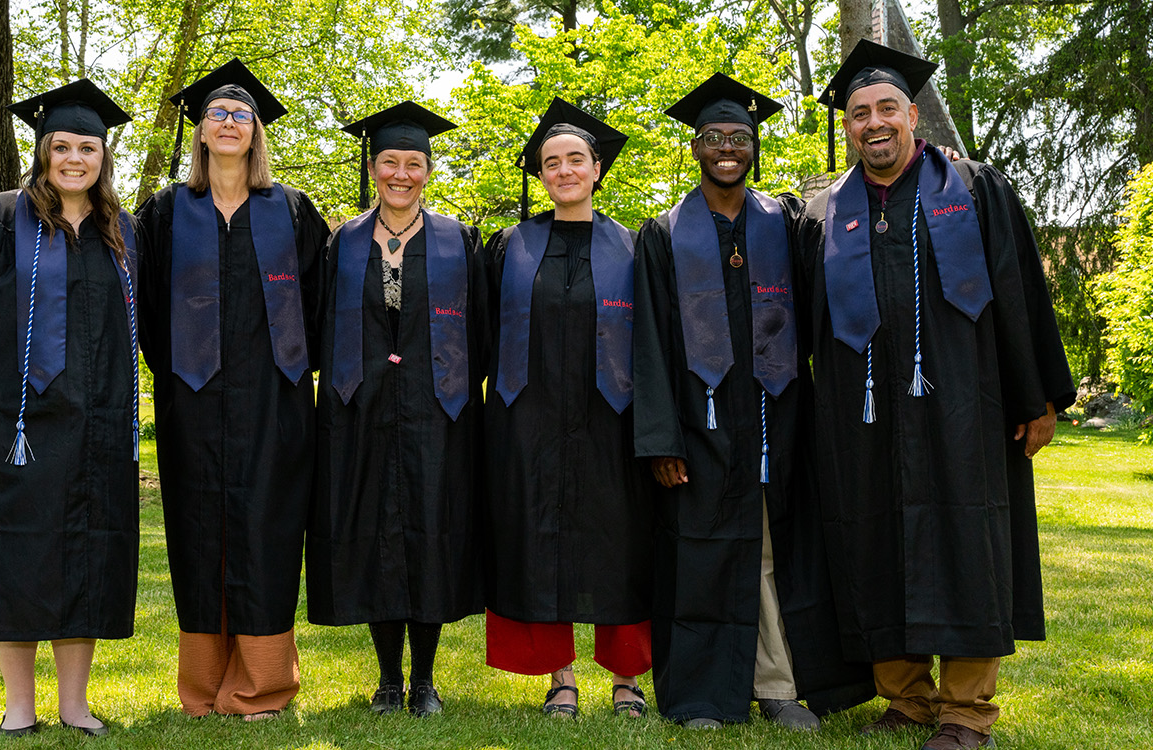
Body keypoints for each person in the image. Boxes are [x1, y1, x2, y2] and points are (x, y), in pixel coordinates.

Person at [796, 40, 1075, 750]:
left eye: (887, 107)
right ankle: (905, 698)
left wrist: (1034, 396)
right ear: (848, 127)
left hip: (963, 409)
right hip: (862, 414)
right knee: (871, 538)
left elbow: (1018, 294)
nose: (873, 122)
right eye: (859, 113)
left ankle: (964, 711)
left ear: (913, 114)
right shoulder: (824, 213)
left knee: (966, 540)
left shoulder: (973, 188)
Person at [633, 73, 874, 730]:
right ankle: (704, 696)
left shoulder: (787, 222)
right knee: (702, 555)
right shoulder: (663, 234)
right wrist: (660, 438)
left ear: (754, 147)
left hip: (778, 419)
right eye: (714, 137)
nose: (727, 148)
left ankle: (778, 686)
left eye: (740, 137)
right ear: (695, 149)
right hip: (699, 421)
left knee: (774, 550)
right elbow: (648, 341)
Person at [0, 79, 138, 738]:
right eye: (63, 146)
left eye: (88, 148)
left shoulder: (119, 230)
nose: (75, 159)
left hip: (97, 425)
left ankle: (74, 704)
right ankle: (21, 706)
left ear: (103, 157)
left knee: (90, 561)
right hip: (12, 426)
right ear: (43, 151)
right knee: (13, 559)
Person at [136, 58, 328, 720]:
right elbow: (147, 311)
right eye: (216, 113)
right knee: (196, 532)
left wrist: (294, 371)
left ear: (257, 131)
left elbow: (320, 303)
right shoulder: (163, 212)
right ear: (199, 130)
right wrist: (180, 372)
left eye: (240, 115)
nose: (228, 123)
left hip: (274, 402)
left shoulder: (293, 210)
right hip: (191, 401)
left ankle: (263, 686)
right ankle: (202, 688)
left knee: (268, 529)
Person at [308, 101, 488, 718]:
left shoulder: (457, 240)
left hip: (439, 408)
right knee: (374, 533)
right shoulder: (343, 241)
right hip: (359, 409)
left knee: (430, 530)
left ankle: (426, 680)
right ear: (372, 165)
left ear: (429, 171)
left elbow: (482, 333)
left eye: (414, 163)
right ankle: (388, 679)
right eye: (390, 161)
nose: (401, 174)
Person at [482, 98, 653, 719]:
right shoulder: (507, 247)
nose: (563, 171)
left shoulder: (634, 247)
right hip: (527, 418)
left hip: (612, 417)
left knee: (620, 540)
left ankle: (628, 678)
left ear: (597, 168)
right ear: (539, 174)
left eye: (575, 159)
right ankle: (560, 677)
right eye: (550, 162)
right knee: (539, 539)